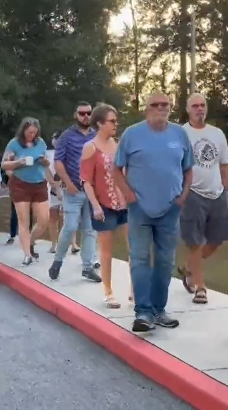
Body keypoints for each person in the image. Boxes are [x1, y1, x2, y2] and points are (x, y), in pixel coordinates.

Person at [113, 92, 191, 333]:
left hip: (170, 209)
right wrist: (129, 195)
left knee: (165, 261)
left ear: (171, 107)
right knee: (139, 259)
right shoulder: (132, 135)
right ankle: (143, 312)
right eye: (155, 105)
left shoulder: (179, 134)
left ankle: (159, 309)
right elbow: (116, 168)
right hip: (140, 209)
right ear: (146, 109)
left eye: (165, 105)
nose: (160, 108)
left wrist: (183, 197)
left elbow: (188, 169)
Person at [177, 93, 228, 304]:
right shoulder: (181, 133)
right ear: (188, 109)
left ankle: (188, 268)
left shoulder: (217, 133)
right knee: (194, 242)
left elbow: (225, 162)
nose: (199, 109)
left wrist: (224, 186)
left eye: (203, 105)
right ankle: (200, 287)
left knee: (217, 239)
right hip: (192, 193)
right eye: (195, 106)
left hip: (217, 193)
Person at [81, 103, 132, 308]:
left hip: (124, 204)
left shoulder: (119, 145)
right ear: (99, 123)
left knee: (134, 248)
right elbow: (86, 180)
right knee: (106, 251)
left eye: (115, 121)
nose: (115, 124)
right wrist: (95, 205)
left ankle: (134, 290)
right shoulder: (90, 147)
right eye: (111, 121)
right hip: (103, 205)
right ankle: (108, 291)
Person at [49, 102, 101, 282]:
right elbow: (58, 161)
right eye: (82, 113)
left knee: (90, 230)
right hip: (74, 190)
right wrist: (68, 183)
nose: (86, 116)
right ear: (76, 115)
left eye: (88, 113)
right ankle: (57, 261)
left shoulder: (96, 135)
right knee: (70, 226)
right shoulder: (67, 136)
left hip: (92, 191)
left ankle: (87, 267)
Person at [2, 117, 56, 266]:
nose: (32, 135)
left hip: (39, 183)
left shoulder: (41, 143)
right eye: (30, 132)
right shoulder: (14, 144)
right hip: (20, 184)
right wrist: (19, 162)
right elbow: (5, 164)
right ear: (23, 130)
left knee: (44, 220)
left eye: (35, 132)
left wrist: (45, 162)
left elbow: (45, 161)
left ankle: (30, 242)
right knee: (24, 220)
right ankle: (27, 255)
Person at [46, 133, 63, 253]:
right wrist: (53, 184)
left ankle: (71, 243)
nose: (54, 140)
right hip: (51, 187)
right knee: (53, 217)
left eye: (56, 138)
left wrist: (60, 183)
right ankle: (54, 243)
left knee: (68, 218)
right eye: (53, 138)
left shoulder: (67, 152)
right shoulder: (48, 153)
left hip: (65, 186)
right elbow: (45, 169)